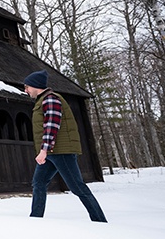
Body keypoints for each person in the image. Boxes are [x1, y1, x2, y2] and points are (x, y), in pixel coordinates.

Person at [23, 69, 107, 223]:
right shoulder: (42, 101)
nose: (25, 90)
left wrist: (44, 150)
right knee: (39, 183)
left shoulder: (51, 99)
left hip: (61, 151)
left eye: (27, 86)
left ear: (36, 86)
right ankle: (35, 220)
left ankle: (100, 221)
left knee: (77, 187)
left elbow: (52, 126)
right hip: (52, 152)